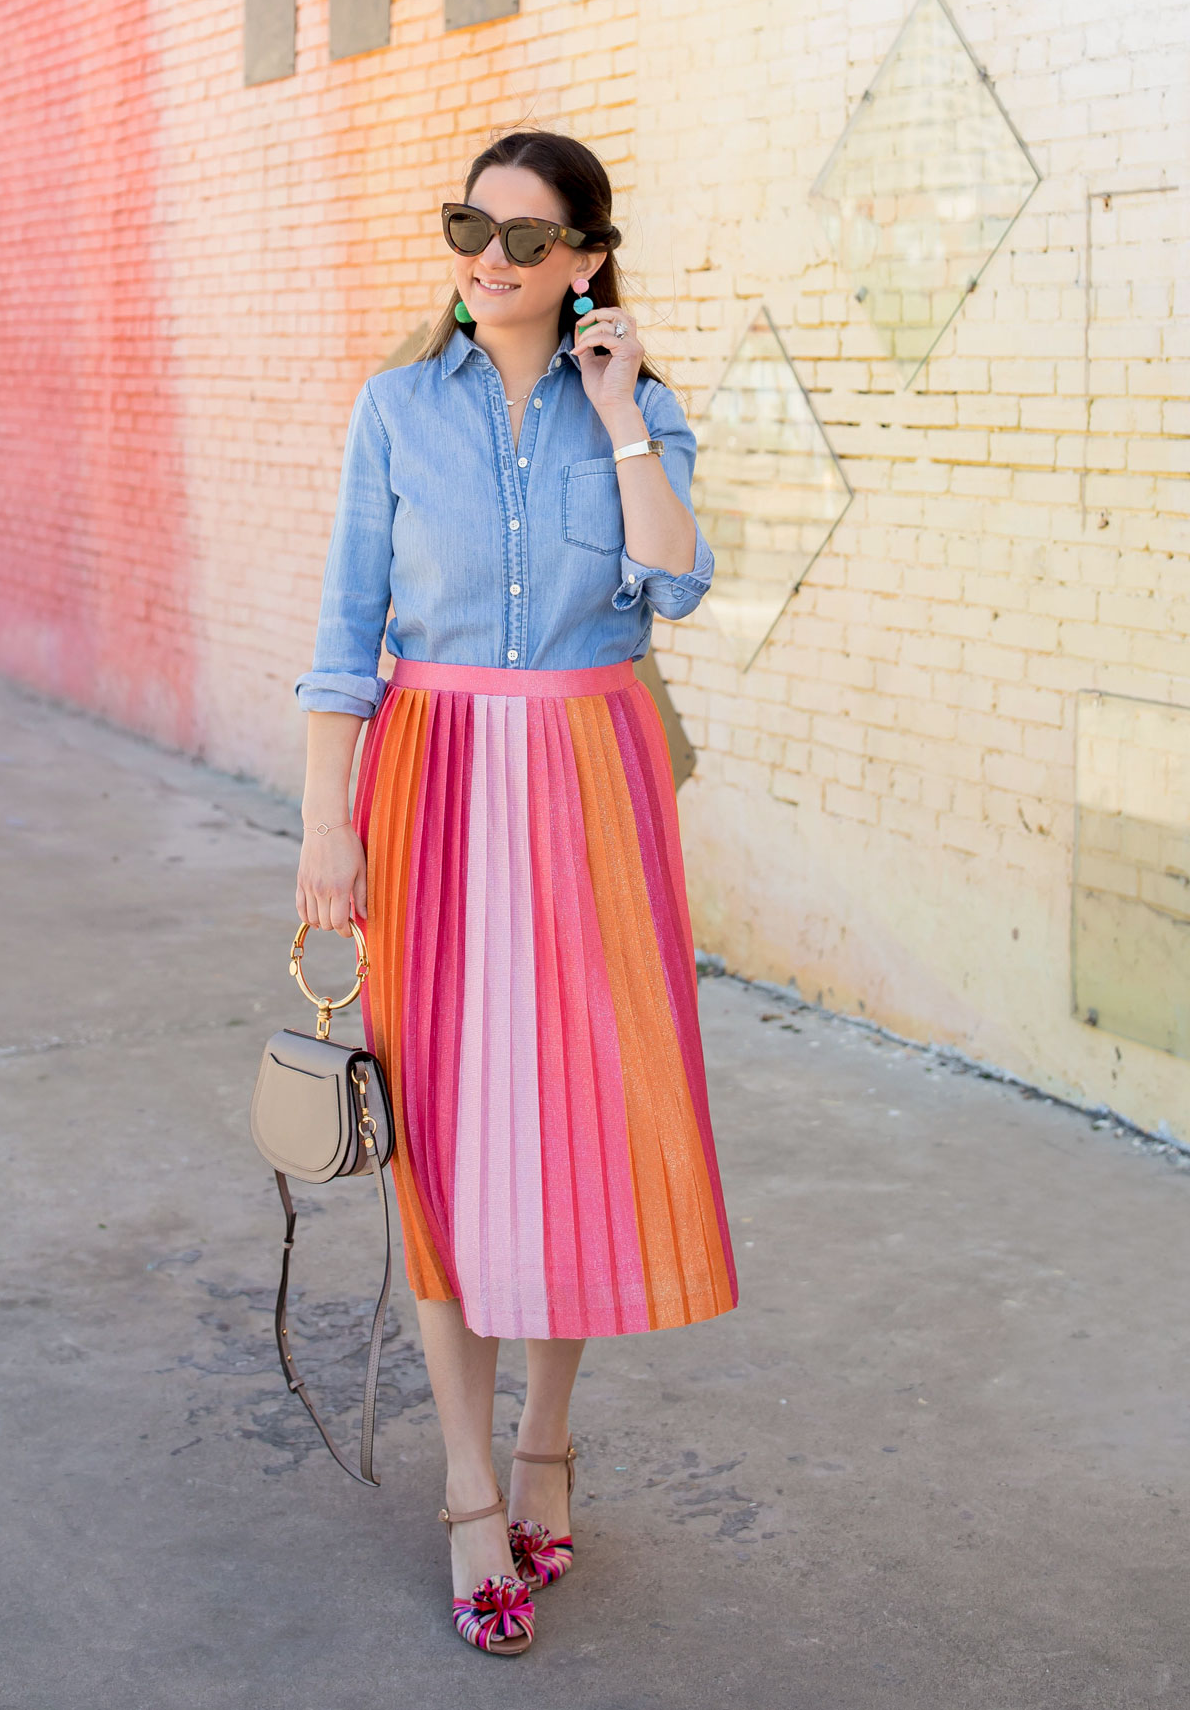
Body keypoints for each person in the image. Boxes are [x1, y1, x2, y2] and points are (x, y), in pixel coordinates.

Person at [294, 130, 738, 1657]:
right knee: (452, 1134)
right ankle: (474, 1486)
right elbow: (348, 632)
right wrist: (323, 828)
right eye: (470, 225)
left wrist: (619, 412)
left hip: (593, 784)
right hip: (431, 781)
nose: (491, 256)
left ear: (587, 259)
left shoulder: (644, 407)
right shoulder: (394, 410)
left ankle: (550, 1435)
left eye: (529, 237)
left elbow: (674, 577)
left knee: (577, 1130)